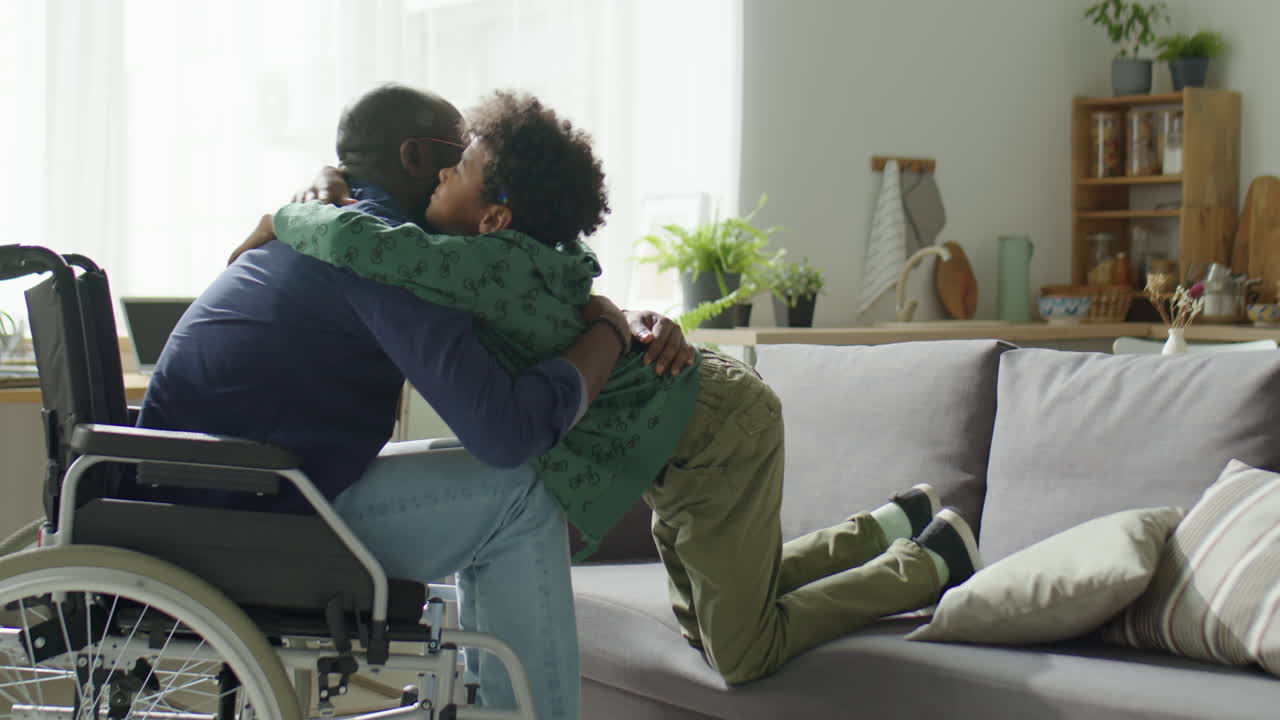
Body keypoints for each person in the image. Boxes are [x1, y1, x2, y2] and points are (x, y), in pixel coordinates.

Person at [264, 89, 986, 686]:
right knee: (706, 618)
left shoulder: (485, 266)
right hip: (680, 443)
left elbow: (363, 244)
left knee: (741, 653)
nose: (438, 180)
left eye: (456, 173)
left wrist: (287, 211)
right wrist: (336, 177)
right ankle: (889, 524)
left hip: (718, 437)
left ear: (494, 218)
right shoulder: (517, 250)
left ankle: (925, 563)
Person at [138, 83, 692, 720]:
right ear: (414, 158)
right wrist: (608, 331)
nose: (466, 168)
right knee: (519, 489)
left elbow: (522, 322)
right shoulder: (388, 260)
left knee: (491, 473)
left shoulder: (351, 229)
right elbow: (509, 436)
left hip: (220, 492)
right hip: (247, 514)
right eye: (461, 152)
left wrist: (611, 318)